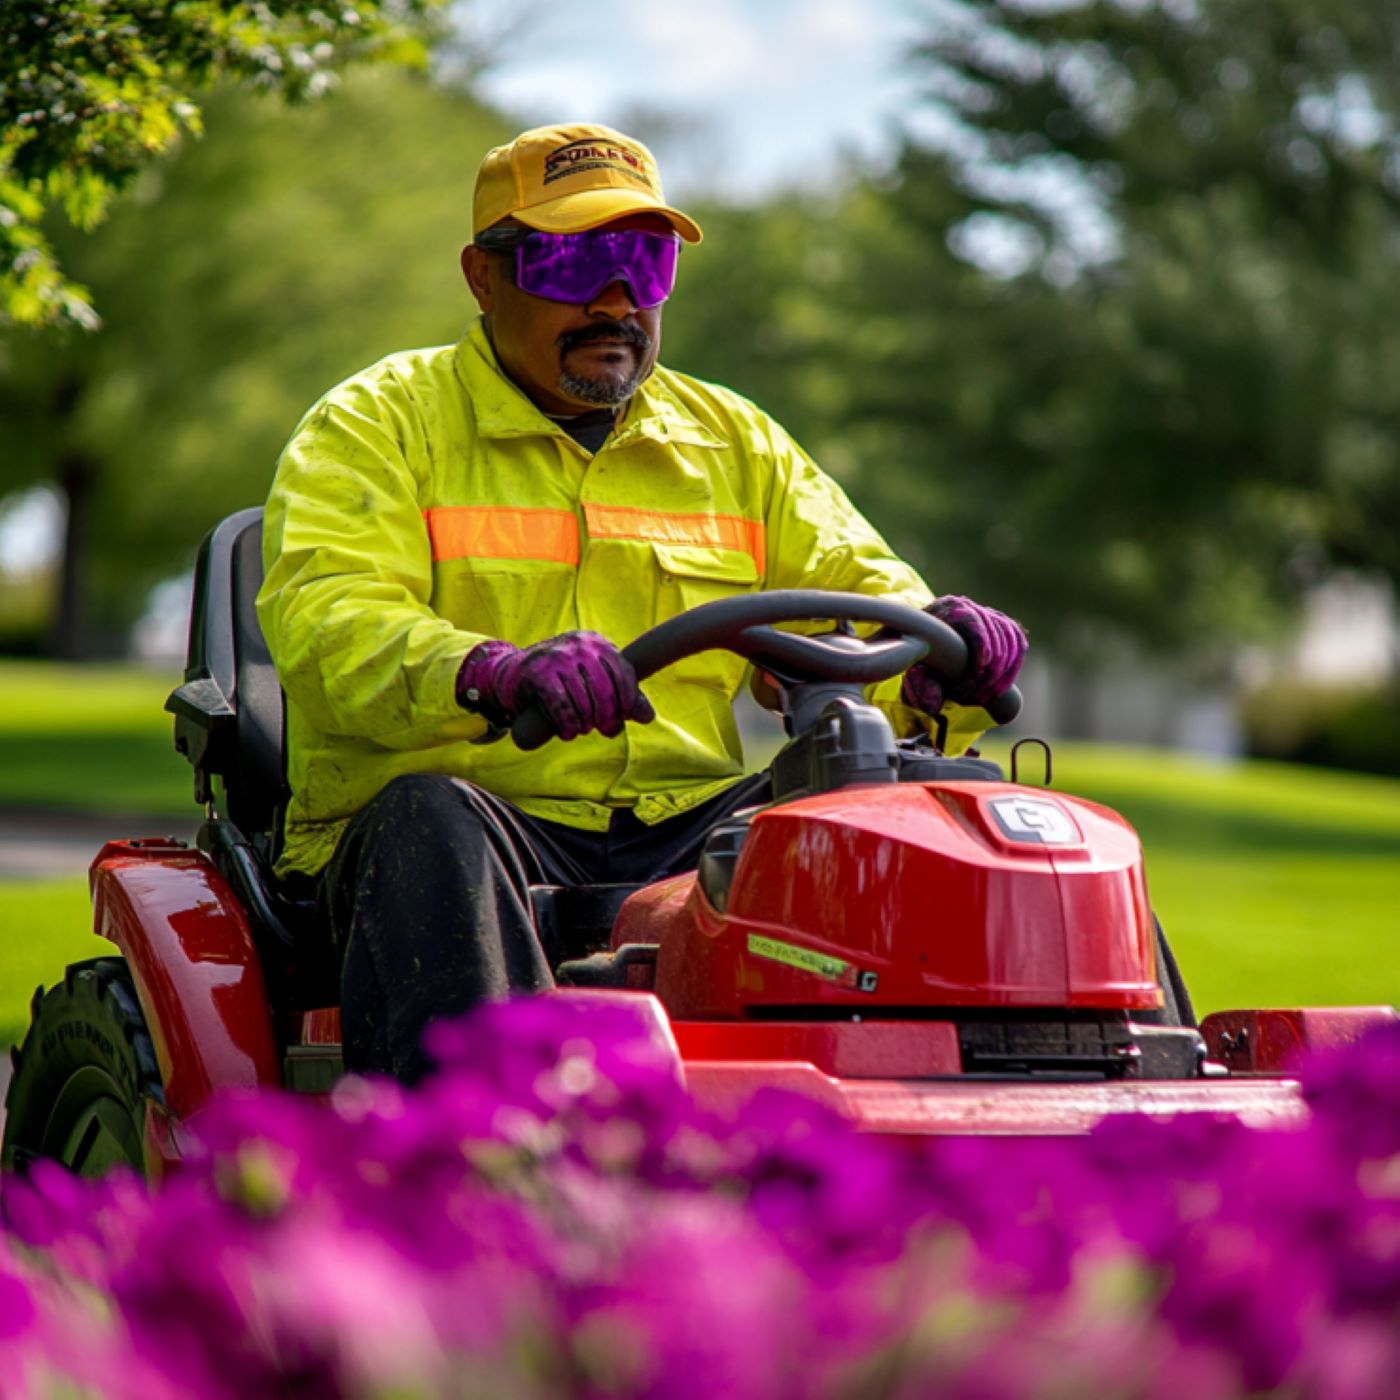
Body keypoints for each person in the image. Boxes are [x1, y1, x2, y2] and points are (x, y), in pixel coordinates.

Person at [256, 123, 1028, 1081]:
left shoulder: (736, 442)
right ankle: (468, 1176)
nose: (616, 299)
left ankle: (1073, 1128)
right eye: (574, 259)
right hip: (468, 824)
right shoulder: (377, 422)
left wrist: (941, 653)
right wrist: (493, 672)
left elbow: (859, 589)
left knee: (937, 818)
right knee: (432, 820)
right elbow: (333, 624)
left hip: (682, 827)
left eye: (643, 262)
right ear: (482, 275)